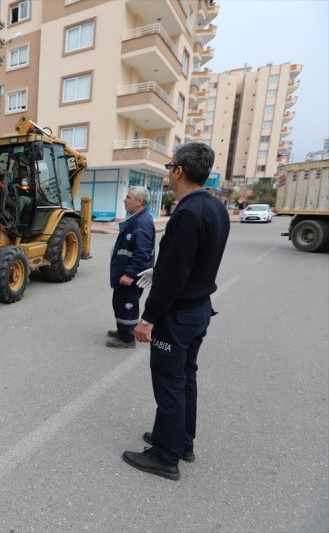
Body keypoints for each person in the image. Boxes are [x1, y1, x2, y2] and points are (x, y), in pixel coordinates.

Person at [122, 142, 230, 481]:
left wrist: (148, 319)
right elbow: (195, 260)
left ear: (179, 171)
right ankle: (181, 441)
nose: (168, 172)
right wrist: (164, 268)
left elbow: (174, 275)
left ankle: (166, 457)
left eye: (169, 167)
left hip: (178, 316)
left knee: (170, 382)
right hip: (198, 310)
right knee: (186, 379)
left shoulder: (188, 213)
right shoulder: (216, 208)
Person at [106, 185, 155, 349]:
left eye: (128, 197)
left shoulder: (142, 222)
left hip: (130, 277)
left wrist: (130, 274)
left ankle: (127, 339)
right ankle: (123, 330)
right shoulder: (136, 219)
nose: (124, 200)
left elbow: (143, 254)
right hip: (124, 274)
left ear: (139, 201)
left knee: (127, 305)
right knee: (119, 303)